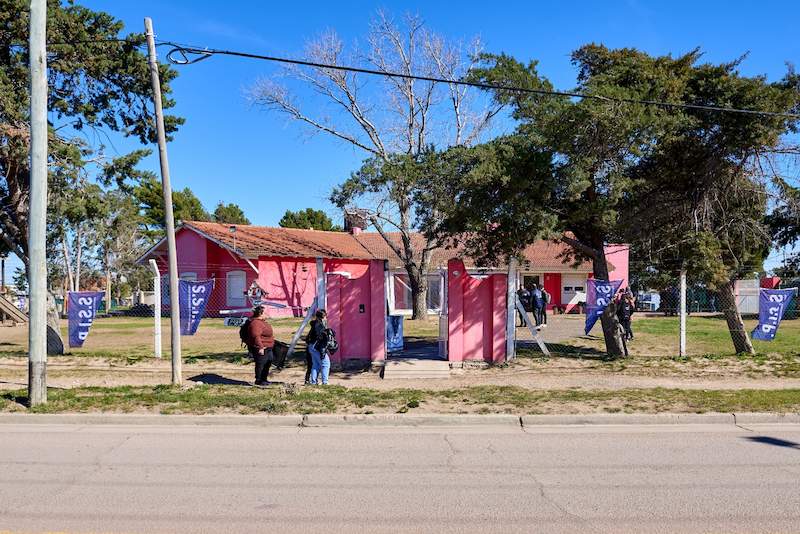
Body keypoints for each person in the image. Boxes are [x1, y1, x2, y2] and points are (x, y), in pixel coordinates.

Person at [246, 305, 275, 386]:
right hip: (261, 347)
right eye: (266, 312)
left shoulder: (263, 322)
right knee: (261, 364)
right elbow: (256, 336)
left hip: (268, 347)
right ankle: (258, 380)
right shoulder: (256, 323)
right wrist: (260, 347)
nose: (268, 313)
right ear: (260, 314)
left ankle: (264, 379)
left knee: (268, 363)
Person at [306, 309, 331, 385]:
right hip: (317, 346)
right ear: (322, 317)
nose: (326, 318)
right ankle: (325, 382)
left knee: (315, 364)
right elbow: (320, 337)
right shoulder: (319, 325)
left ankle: (314, 382)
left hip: (311, 346)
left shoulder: (314, 324)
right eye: (325, 316)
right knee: (326, 363)